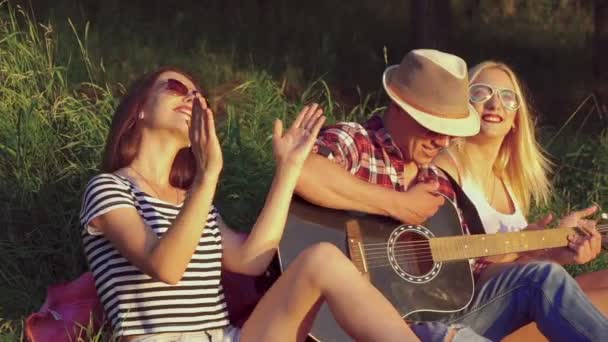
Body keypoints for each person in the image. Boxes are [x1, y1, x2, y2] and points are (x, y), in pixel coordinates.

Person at [79, 66, 421, 341]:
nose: (192, 99)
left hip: (231, 337)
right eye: (177, 89)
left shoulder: (193, 202)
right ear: (138, 108)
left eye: (198, 97)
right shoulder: (109, 189)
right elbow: (166, 267)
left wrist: (288, 169)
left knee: (323, 259)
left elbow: (252, 259)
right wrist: (207, 176)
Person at [296, 49, 608, 341]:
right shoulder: (358, 142)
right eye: (433, 126)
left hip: (431, 322)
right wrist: (398, 204)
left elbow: (473, 272)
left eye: (449, 130)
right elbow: (300, 169)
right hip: (354, 322)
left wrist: (548, 250)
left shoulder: (437, 186)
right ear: (399, 106)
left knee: (541, 277)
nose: (443, 141)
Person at [433, 60, 608, 338]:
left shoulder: (510, 184)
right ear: (462, 106)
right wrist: (540, 259)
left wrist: (556, 250)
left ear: (517, 119)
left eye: (507, 97)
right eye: (480, 93)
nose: (494, 104)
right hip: (464, 313)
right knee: (543, 277)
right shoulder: (445, 169)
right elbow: (459, 270)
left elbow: (517, 268)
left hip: (516, 296)